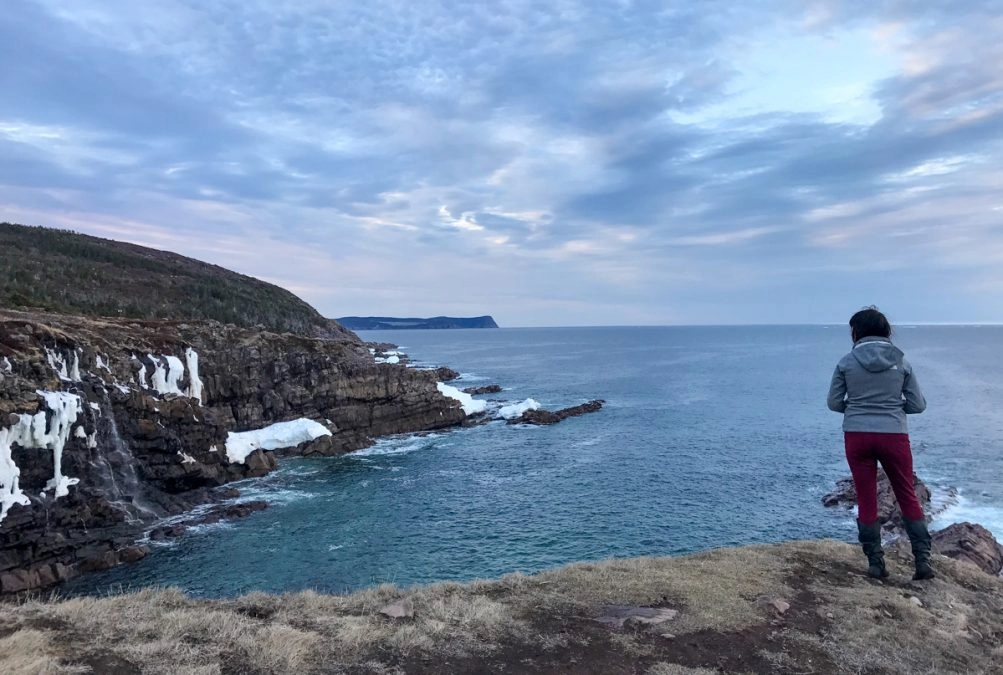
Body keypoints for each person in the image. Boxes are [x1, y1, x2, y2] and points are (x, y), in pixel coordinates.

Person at [827, 307, 934, 580]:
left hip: (857, 435)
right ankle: (922, 563)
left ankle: (876, 564)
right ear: (887, 331)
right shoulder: (902, 362)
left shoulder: (846, 363)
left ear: (856, 332)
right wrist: (891, 407)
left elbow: (834, 403)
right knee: (907, 494)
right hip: (894, 435)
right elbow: (918, 405)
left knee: (866, 498)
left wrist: (858, 407)